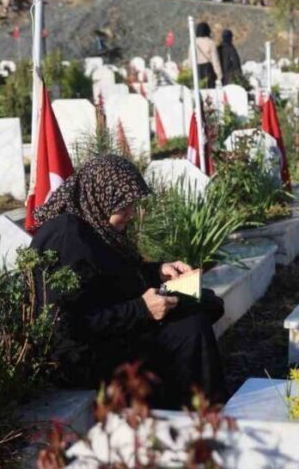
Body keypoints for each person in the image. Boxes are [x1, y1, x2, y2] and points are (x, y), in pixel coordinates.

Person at [30, 156, 228, 407]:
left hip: (112, 332)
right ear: (100, 195)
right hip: (83, 357)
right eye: (123, 206)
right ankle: (197, 419)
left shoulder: (95, 225)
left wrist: (158, 272)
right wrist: (141, 309)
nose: (130, 214)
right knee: (189, 330)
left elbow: (113, 277)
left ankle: (200, 413)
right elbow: (65, 326)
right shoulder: (67, 237)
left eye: (131, 205)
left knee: (201, 304)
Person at [193, 21, 222, 89]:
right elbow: (215, 60)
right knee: (210, 92)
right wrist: (219, 75)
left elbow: (191, 60)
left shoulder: (193, 43)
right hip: (208, 70)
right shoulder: (210, 43)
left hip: (197, 70)